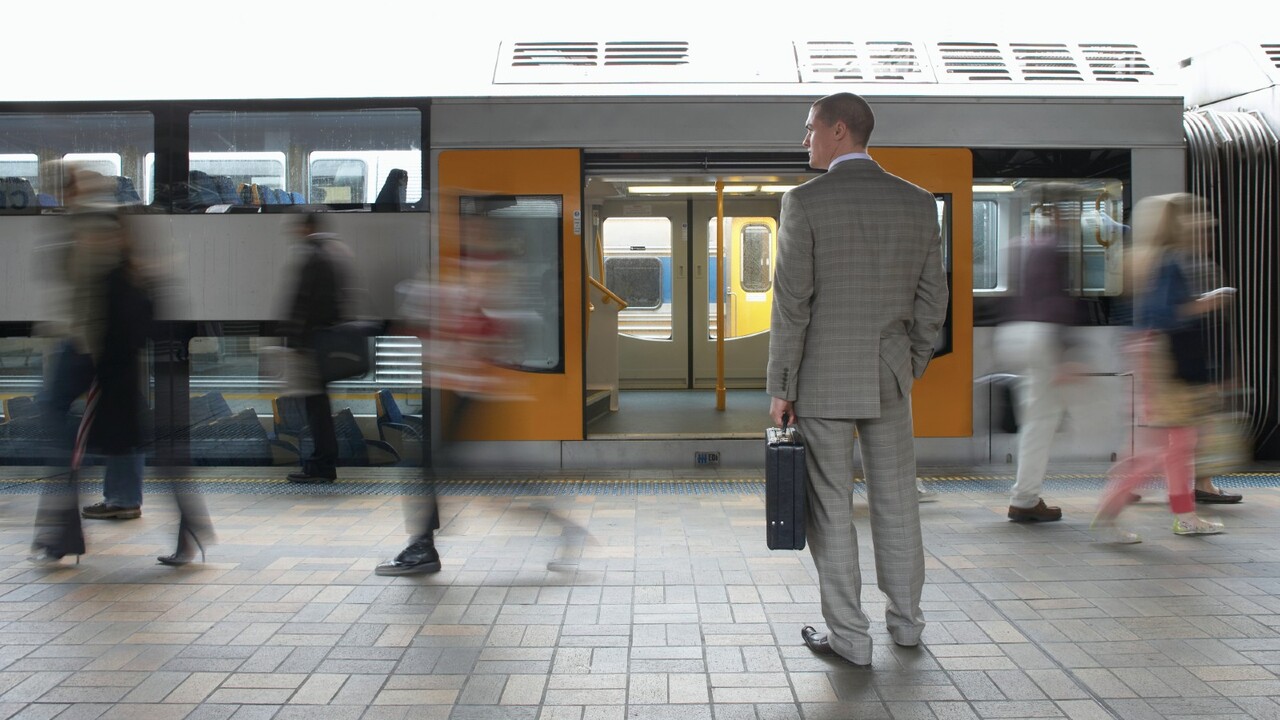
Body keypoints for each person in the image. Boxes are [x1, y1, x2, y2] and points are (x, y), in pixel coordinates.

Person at [767, 92, 948, 666]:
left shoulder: (804, 202)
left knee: (830, 506)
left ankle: (850, 637)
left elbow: (792, 305)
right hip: (888, 376)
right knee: (897, 502)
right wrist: (909, 362)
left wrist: (782, 386)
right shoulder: (918, 203)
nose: (805, 140)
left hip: (821, 381)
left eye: (810, 129)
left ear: (839, 131)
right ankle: (907, 624)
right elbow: (932, 302)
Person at [1093, 194, 1228, 542]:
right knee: (1156, 448)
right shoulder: (1168, 262)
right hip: (1163, 359)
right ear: (1174, 224)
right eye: (1190, 217)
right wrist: (1207, 303)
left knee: (1181, 442)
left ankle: (1184, 514)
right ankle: (1109, 510)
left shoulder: (1143, 259)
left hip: (1153, 355)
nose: (1199, 223)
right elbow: (1166, 314)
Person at [995, 185, 1088, 522]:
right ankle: (1024, 499)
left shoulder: (1023, 245)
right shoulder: (1058, 248)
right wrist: (1066, 354)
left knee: (1037, 418)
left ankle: (1025, 495)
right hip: (1042, 335)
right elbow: (1057, 302)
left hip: (1016, 333)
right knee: (1041, 422)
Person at [281, 212, 352, 483]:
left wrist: (295, 340)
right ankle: (323, 462)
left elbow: (303, 303)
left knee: (316, 407)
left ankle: (322, 464)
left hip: (311, 343)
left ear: (307, 227)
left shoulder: (314, 257)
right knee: (318, 405)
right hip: (323, 341)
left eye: (299, 226)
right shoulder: (333, 253)